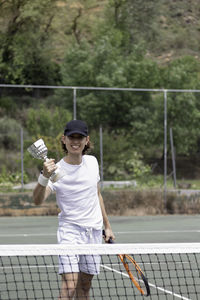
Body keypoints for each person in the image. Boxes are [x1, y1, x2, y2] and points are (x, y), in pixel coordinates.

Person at [33, 119, 115, 300]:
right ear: (64, 139)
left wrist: (107, 226)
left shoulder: (93, 162)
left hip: (93, 232)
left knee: (85, 286)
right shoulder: (56, 171)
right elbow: (37, 200)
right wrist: (44, 177)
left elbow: (97, 194)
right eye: (71, 137)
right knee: (69, 286)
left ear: (87, 140)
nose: (75, 141)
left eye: (80, 137)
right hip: (70, 232)